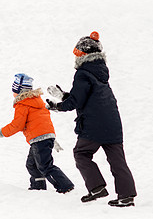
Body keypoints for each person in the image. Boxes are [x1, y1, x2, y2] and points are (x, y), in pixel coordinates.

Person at [46, 31, 137, 207]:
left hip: (94, 126)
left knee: (81, 154)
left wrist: (57, 106)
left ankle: (97, 187)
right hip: (113, 124)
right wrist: (64, 96)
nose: (75, 56)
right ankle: (126, 196)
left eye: (78, 53)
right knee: (117, 161)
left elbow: (77, 101)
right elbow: (85, 98)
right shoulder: (101, 72)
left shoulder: (83, 73)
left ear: (84, 54)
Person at [0, 73, 74, 194]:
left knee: (45, 166)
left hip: (39, 139)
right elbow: (43, 122)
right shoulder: (37, 102)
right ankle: (38, 187)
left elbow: (17, 125)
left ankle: (66, 186)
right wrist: (51, 139)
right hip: (41, 138)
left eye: (14, 90)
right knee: (32, 165)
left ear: (19, 91)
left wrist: (1, 132)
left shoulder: (23, 104)